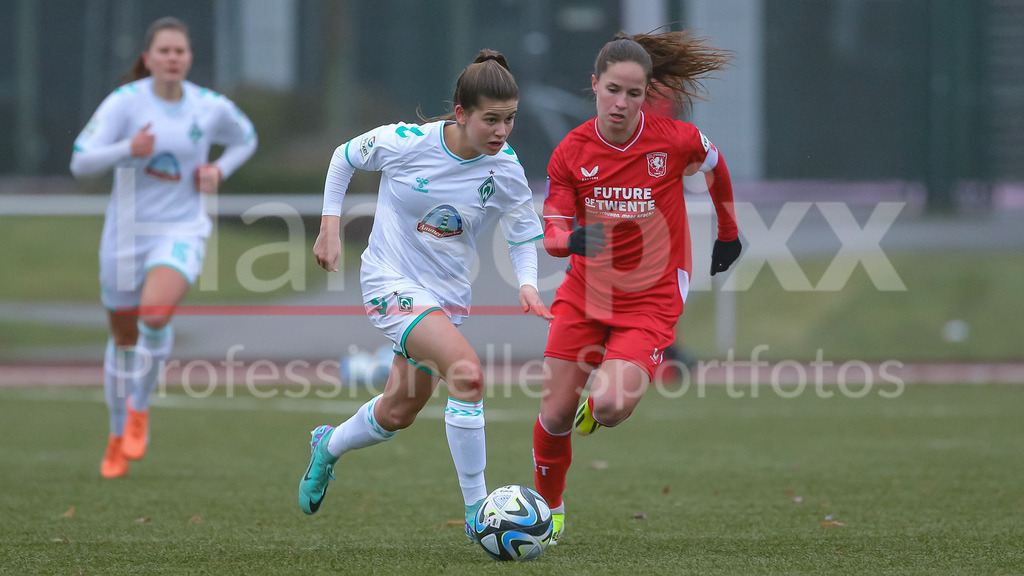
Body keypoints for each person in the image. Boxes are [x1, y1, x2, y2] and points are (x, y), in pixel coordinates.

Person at [300, 50, 552, 542]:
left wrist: (527, 281)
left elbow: (523, 231)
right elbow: (344, 157)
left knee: (398, 412)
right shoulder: (407, 142)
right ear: (461, 114)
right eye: (491, 120)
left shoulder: (505, 167)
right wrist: (329, 227)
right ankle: (479, 512)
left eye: (510, 120)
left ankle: (328, 446)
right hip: (389, 281)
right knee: (468, 373)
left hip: (445, 299)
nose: (502, 131)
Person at [532, 30, 743, 544]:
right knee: (555, 412)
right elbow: (553, 226)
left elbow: (716, 169)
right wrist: (569, 241)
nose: (621, 102)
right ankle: (549, 507)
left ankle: (600, 396)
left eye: (634, 92)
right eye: (612, 90)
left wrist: (729, 233)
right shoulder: (571, 151)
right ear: (594, 86)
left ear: (647, 94)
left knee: (607, 406)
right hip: (586, 294)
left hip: (651, 300)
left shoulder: (674, 140)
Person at [70, 17, 257, 478]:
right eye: (164, 51)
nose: (173, 58)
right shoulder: (124, 104)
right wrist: (127, 148)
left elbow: (245, 138)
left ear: (189, 58)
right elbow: (80, 161)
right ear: (148, 58)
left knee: (154, 314)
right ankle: (116, 435)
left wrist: (220, 170)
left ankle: (139, 409)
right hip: (126, 233)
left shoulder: (208, 106)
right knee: (124, 337)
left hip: (181, 226)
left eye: (180, 51)